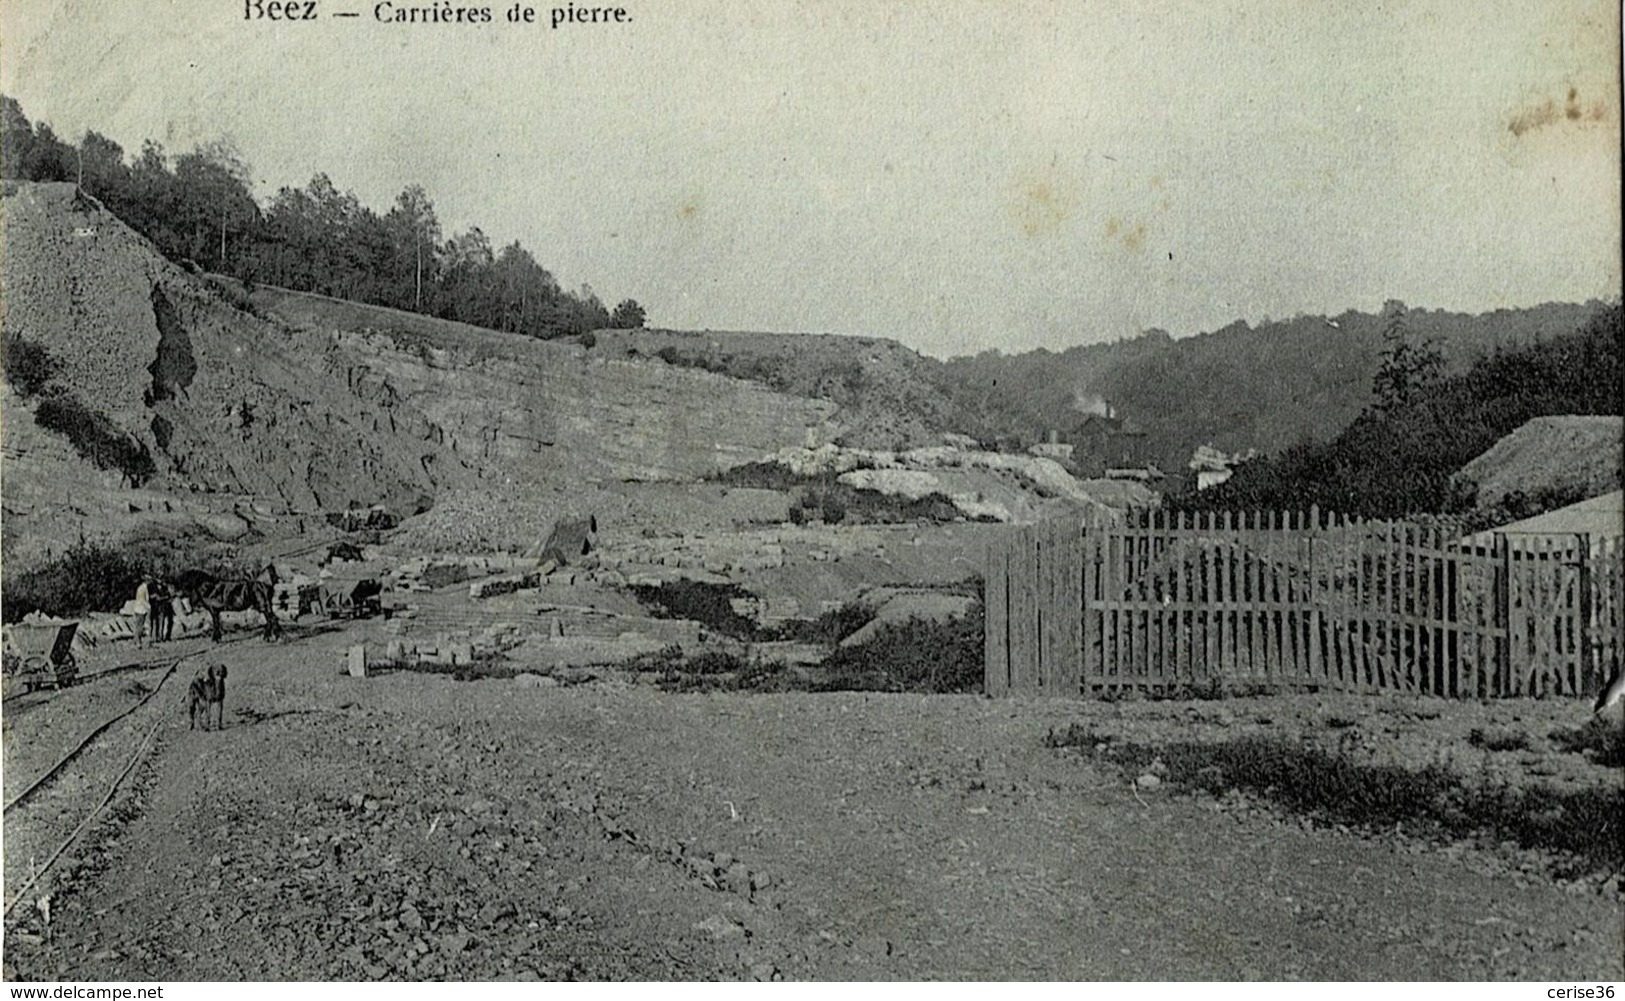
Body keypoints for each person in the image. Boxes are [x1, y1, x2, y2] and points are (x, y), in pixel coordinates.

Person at [149, 577, 175, 643]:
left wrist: (163, 598)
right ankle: (155, 637)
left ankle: (160, 637)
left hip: (162, 607)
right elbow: (151, 597)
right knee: (155, 623)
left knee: (161, 622)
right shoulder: (152, 587)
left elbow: (168, 596)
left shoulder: (164, 587)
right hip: (155, 607)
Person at [131, 577, 151, 649]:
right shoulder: (142, 589)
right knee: (139, 626)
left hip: (141, 609)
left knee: (139, 626)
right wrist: (148, 606)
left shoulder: (144, 588)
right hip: (140, 609)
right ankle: (138, 642)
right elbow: (142, 600)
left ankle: (136, 641)